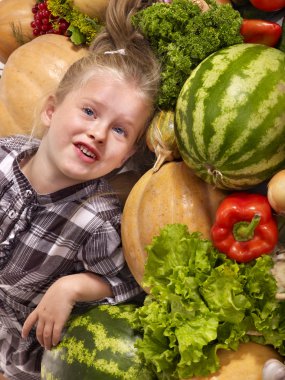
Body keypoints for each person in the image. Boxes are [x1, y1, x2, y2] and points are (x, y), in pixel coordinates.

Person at [0, 0, 160, 378]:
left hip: (24, 349)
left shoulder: (98, 217)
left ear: (128, 155)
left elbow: (125, 283)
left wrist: (73, 286)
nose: (99, 133)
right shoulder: (5, 153)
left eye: (120, 130)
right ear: (51, 110)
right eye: (89, 111)